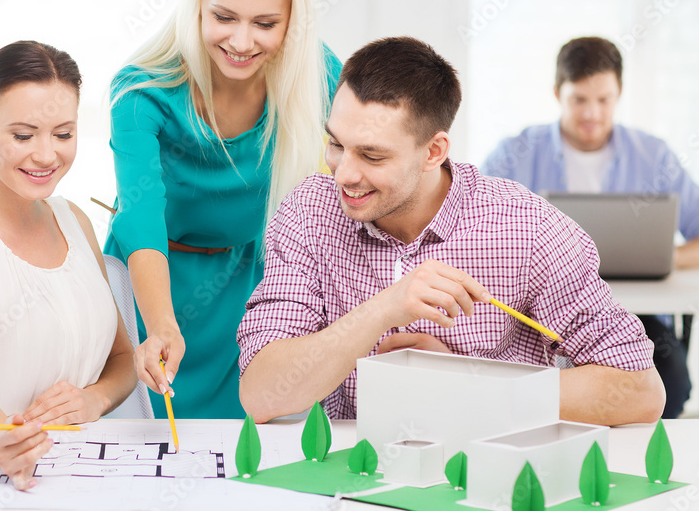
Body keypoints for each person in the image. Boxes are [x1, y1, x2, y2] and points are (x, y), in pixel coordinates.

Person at [237, 36, 665, 426]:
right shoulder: (310, 211)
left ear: (434, 151)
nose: (344, 174)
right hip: (354, 471)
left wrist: (464, 384)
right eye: (336, 144)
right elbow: (261, 395)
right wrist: (384, 309)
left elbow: (639, 390)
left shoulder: (527, 227)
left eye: (372, 156)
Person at [103, 0, 343, 419]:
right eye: (224, 17)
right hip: (152, 284)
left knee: (246, 448)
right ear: (196, 6)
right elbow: (140, 217)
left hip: (251, 290)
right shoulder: (142, 91)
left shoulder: (318, 75)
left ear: (294, 21)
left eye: (265, 24)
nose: (241, 41)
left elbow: (368, 167)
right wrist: (162, 325)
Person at [482, 36, 699, 418]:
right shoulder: (514, 154)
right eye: (579, 100)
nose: (592, 113)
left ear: (619, 94)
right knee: (529, 382)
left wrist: (664, 258)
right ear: (557, 93)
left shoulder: (653, 155)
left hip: (636, 318)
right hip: (539, 318)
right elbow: (473, 233)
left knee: (670, 384)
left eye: (604, 100)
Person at [0, 41, 136, 490]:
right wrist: (2, 441)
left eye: (63, 134)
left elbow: (124, 359)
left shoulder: (74, 220)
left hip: (79, 471)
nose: (46, 155)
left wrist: (93, 400)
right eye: (23, 136)